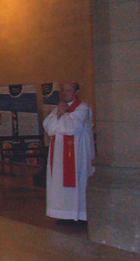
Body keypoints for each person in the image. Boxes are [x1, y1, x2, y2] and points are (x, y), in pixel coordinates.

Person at [43, 81, 94, 222]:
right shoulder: (59, 108)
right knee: (59, 182)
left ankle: (79, 215)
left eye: (68, 90)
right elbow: (49, 127)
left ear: (76, 92)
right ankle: (63, 214)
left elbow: (72, 128)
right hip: (59, 154)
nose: (65, 93)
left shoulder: (83, 108)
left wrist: (63, 114)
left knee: (79, 180)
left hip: (78, 154)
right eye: (63, 90)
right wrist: (60, 112)